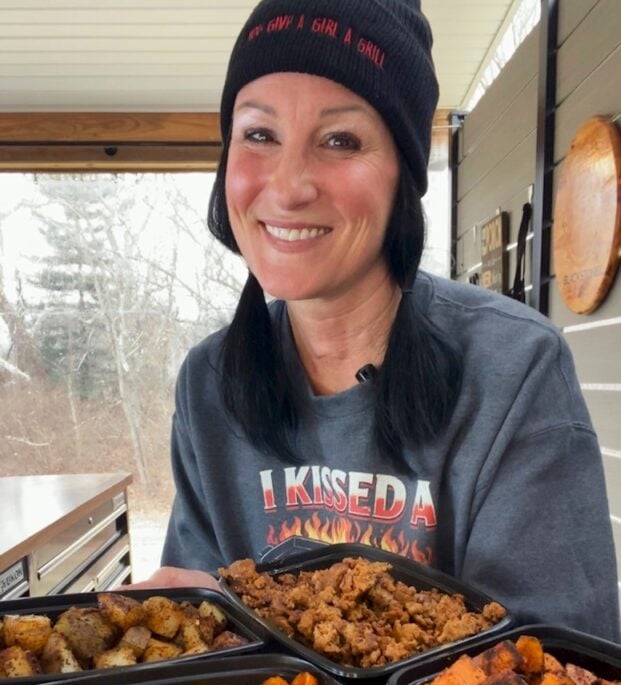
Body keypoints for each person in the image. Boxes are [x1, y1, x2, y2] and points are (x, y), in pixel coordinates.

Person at [135, 0, 620, 641]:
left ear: (403, 177)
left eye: (340, 140)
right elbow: (194, 633)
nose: (289, 186)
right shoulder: (210, 382)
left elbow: (560, 670)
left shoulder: (513, 367)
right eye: (258, 134)